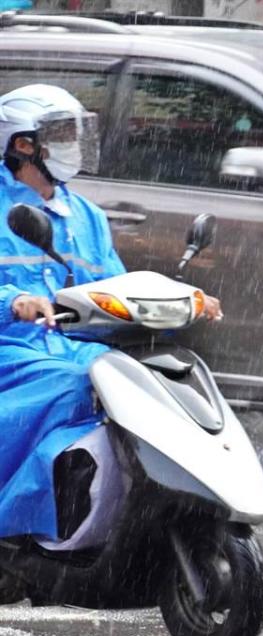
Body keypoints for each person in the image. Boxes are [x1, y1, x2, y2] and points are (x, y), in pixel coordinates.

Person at [0, 84, 222, 543]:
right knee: (79, 388)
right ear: (23, 144)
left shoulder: (86, 216)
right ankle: (22, 521)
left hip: (76, 346)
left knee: (156, 385)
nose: (73, 144)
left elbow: (114, 289)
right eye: (62, 133)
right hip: (13, 350)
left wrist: (184, 296)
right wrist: (13, 302)